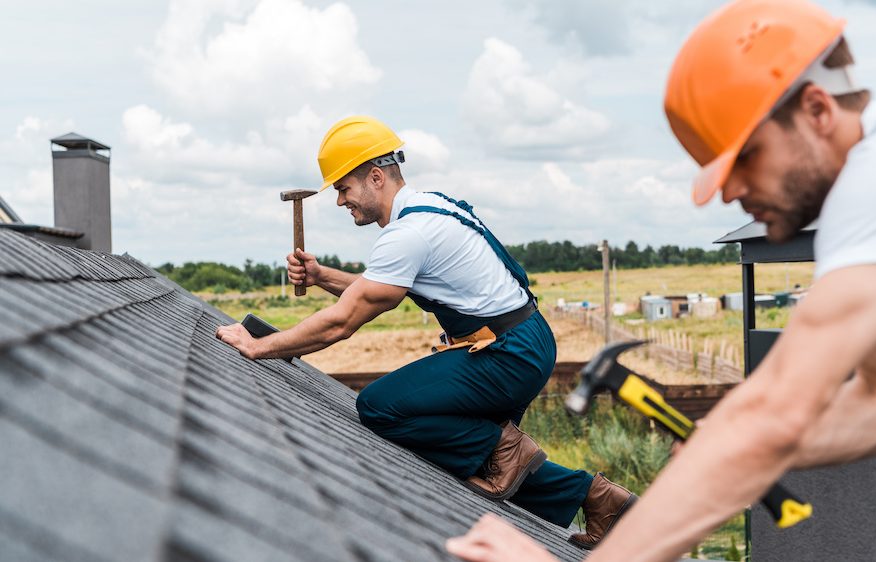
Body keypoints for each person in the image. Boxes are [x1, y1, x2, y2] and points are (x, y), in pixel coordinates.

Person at [446, 1, 876, 560]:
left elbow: (773, 411)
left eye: (748, 157)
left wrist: (752, 435)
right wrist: (732, 451)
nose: (731, 191)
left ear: (816, 109)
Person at [215, 115, 636, 548]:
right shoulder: (432, 207)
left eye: (343, 188)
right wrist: (320, 274)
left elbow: (344, 320)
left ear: (375, 177)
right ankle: (603, 501)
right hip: (524, 341)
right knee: (487, 463)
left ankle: (506, 448)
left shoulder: (409, 233)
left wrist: (258, 345)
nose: (341, 201)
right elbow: (374, 288)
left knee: (382, 407)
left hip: (507, 355)